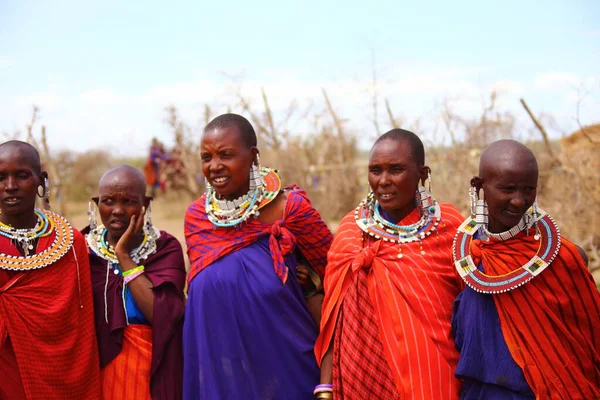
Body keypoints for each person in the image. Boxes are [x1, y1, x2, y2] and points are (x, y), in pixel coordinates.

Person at [183, 113, 333, 399]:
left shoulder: (291, 210)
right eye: (206, 157)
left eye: (226, 155)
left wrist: (311, 280)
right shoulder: (196, 218)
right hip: (224, 370)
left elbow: (335, 275)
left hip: (288, 366)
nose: (215, 166)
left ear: (252, 156)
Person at [315, 129, 465, 399]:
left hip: (435, 376)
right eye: (375, 170)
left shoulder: (450, 228)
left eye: (395, 169)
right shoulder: (351, 230)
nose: (383, 181)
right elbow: (333, 316)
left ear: (422, 174)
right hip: (363, 378)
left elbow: (470, 309)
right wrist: (325, 386)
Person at [451, 140, 600, 399]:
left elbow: (588, 343)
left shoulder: (565, 258)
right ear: (478, 186)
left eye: (528, 189)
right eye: (507, 189)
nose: (519, 201)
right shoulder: (469, 255)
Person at [0, 140, 101, 399]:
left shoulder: (69, 241)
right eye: (1, 177)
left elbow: (81, 325)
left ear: (40, 180)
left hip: (64, 374)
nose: (10, 186)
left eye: (22, 175)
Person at [84, 165, 186, 399]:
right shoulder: (83, 251)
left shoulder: (165, 248)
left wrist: (124, 256)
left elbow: (163, 315)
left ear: (146, 204)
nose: (117, 210)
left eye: (129, 201)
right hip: (96, 373)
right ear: (97, 203)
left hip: (153, 369)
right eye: (108, 201)